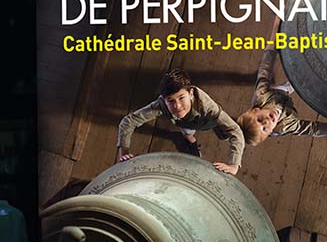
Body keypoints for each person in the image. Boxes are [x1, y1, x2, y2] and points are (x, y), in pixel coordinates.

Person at [115, 73, 275, 170]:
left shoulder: (208, 107)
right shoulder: (161, 105)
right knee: (187, 132)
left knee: (223, 133)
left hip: (208, 121)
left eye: (181, 98)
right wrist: (124, 151)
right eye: (171, 101)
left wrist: (234, 164)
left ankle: (193, 136)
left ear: (191, 93)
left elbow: (235, 130)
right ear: (164, 99)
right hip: (184, 124)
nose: (177, 106)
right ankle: (191, 141)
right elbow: (129, 121)